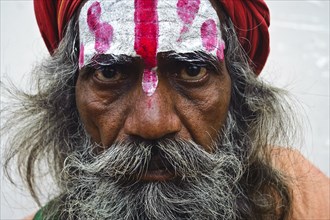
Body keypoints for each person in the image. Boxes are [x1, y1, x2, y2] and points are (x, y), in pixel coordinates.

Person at [2, 0, 329, 219]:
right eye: (110, 73)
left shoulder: (301, 200)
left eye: (191, 70)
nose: (152, 124)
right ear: (69, 96)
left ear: (239, 91)